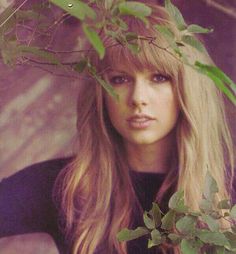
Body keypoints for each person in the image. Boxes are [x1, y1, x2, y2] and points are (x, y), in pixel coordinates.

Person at [0, 2, 235, 254]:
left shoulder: (228, 191)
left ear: (188, 91)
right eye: (120, 79)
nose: (138, 98)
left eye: (159, 77)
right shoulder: (64, 186)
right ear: (101, 93)